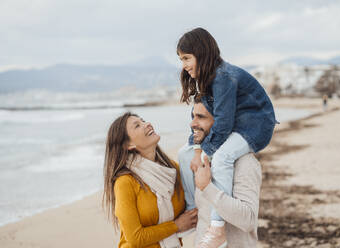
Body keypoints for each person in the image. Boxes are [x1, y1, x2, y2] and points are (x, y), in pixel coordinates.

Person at [177, 27, 276, 247]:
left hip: (256, 126)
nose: (183, 64)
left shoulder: (223, 77)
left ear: (201, 54)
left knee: (222, 159)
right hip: (239, 123)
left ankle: (218, 226)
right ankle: (193, 208)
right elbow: (201, 119)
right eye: (180, 59)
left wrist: (205, 155)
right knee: (184, 153)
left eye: (186, 58)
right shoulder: (209, 80)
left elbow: (222, 123)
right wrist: (196, 150)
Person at [103, 112, 198, 248]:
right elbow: (135, 238)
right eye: (137, 126)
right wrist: (176, 226)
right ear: (128, 145)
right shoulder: (125, 182)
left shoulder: (171, 170)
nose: (147, 124)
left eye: (143, 121)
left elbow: (193, 205)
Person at [178, 100, 262, 247]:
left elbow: (248, 221)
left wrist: (207, 187)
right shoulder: (200, 160)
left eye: (201, 117)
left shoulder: (245, 163)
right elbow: (199, 213)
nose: (193, 124)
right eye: (193, 117)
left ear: (223, 122)